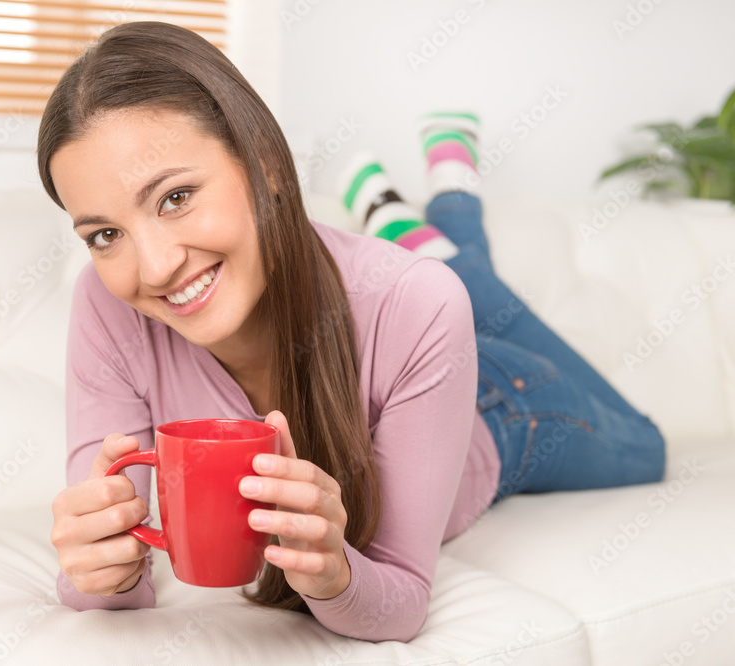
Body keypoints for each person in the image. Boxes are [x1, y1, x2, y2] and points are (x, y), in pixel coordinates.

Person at [39, 21, 666, 643]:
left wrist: (334, 576)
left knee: (647, 444)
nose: (153, 268)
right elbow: (107, 573)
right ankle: (430, 232)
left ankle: (455, 234)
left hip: (507, 407)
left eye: (175, 197)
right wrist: (101, 569)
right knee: (440, 285)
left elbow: (400, 601)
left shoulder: (419, 304)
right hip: (421, 329)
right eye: (105, 235)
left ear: (266, 166)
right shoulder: (106, 303)